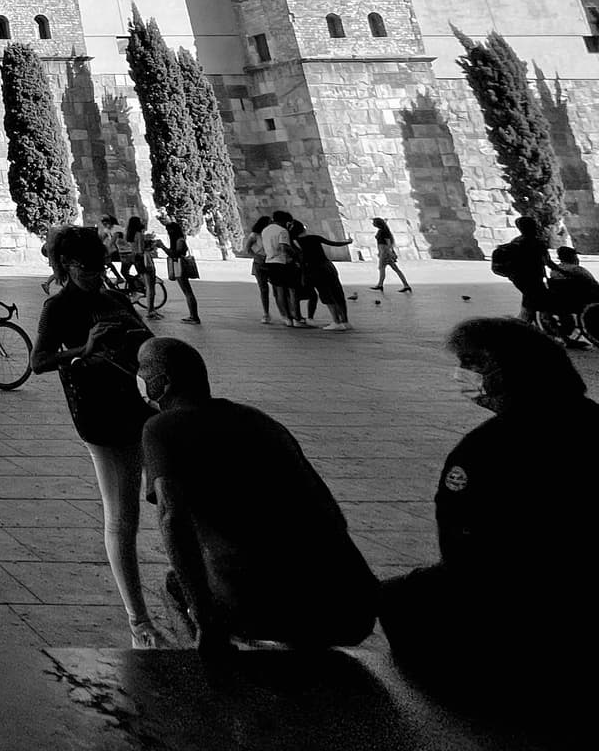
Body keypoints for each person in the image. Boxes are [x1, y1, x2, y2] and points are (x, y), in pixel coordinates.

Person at [380, 319, 599, 678]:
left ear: (506, 372)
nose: (462, 375)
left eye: (471, 364)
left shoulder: (485, 449)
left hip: (527, 614)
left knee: (398, 598)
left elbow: (464, 554)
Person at [136, 339, 375, 651]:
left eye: (142, 370)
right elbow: (330, 511)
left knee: (174, 587)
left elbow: (171, 517)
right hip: (351, 606)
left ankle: (210, 675)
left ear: (163, 383)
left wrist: (206, 620)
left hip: (268, 609)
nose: (138, 378)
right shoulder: (259, 420)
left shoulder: (161, 428)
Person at [32, 225, 163, 647]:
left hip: (143, 408)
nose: (94, 274)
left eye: (99, 266)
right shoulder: (58, 307)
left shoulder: (116, 298)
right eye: (85, 267)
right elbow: (39, 362)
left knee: (169, 506)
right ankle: (138, 621)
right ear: (66, 266)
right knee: (122, 517)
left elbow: (150, 343)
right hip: (100, 415)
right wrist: (83, 349)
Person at [492, 214, 552, 325]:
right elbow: (548, 262)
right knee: (541, 302)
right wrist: (565, 271)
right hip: (533, 278)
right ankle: (521, 327)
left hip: (519, 278)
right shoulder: (537, 242)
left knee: (530, 302)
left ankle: (524, 324)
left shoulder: (516, 241)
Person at [290, 219, 349, 330]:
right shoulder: (315, 237)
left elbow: (302, 258)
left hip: (314, 269)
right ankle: (345, 321)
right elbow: (334, 244)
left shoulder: (295, 241)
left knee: (326, 294)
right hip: (328, 265)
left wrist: (303, 274)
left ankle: (336, 321)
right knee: (337, 292)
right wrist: (347, 242)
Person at [257, 211, 305, 327]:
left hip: (270, 262)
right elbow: (284, 247)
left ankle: (286, 318)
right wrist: (296, 255)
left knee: (279, 291)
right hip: (283, 262)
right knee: (292, 290)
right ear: (283, 221)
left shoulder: (265, 230)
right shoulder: (282, 231)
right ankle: (296, 318)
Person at [163, 218, 200, 324]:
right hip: (178, 267)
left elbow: (176, 254)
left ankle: (194, 316)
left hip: (180, 267)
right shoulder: (178, 240)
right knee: (187, 292)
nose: (168, 233)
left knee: (188, 292)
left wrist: (162, 247)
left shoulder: (180, 240)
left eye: (169, 231)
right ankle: (193, 315)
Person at [370, 218, 412, 293]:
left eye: (374, 222)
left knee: (382, 268)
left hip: (385, 253)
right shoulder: (382, 230)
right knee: (394, 269)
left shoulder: (384, 231)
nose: (372, 223)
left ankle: (380, 285)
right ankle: (406, 285)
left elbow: (388, 243)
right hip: (384, 252)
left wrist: (389, 253)